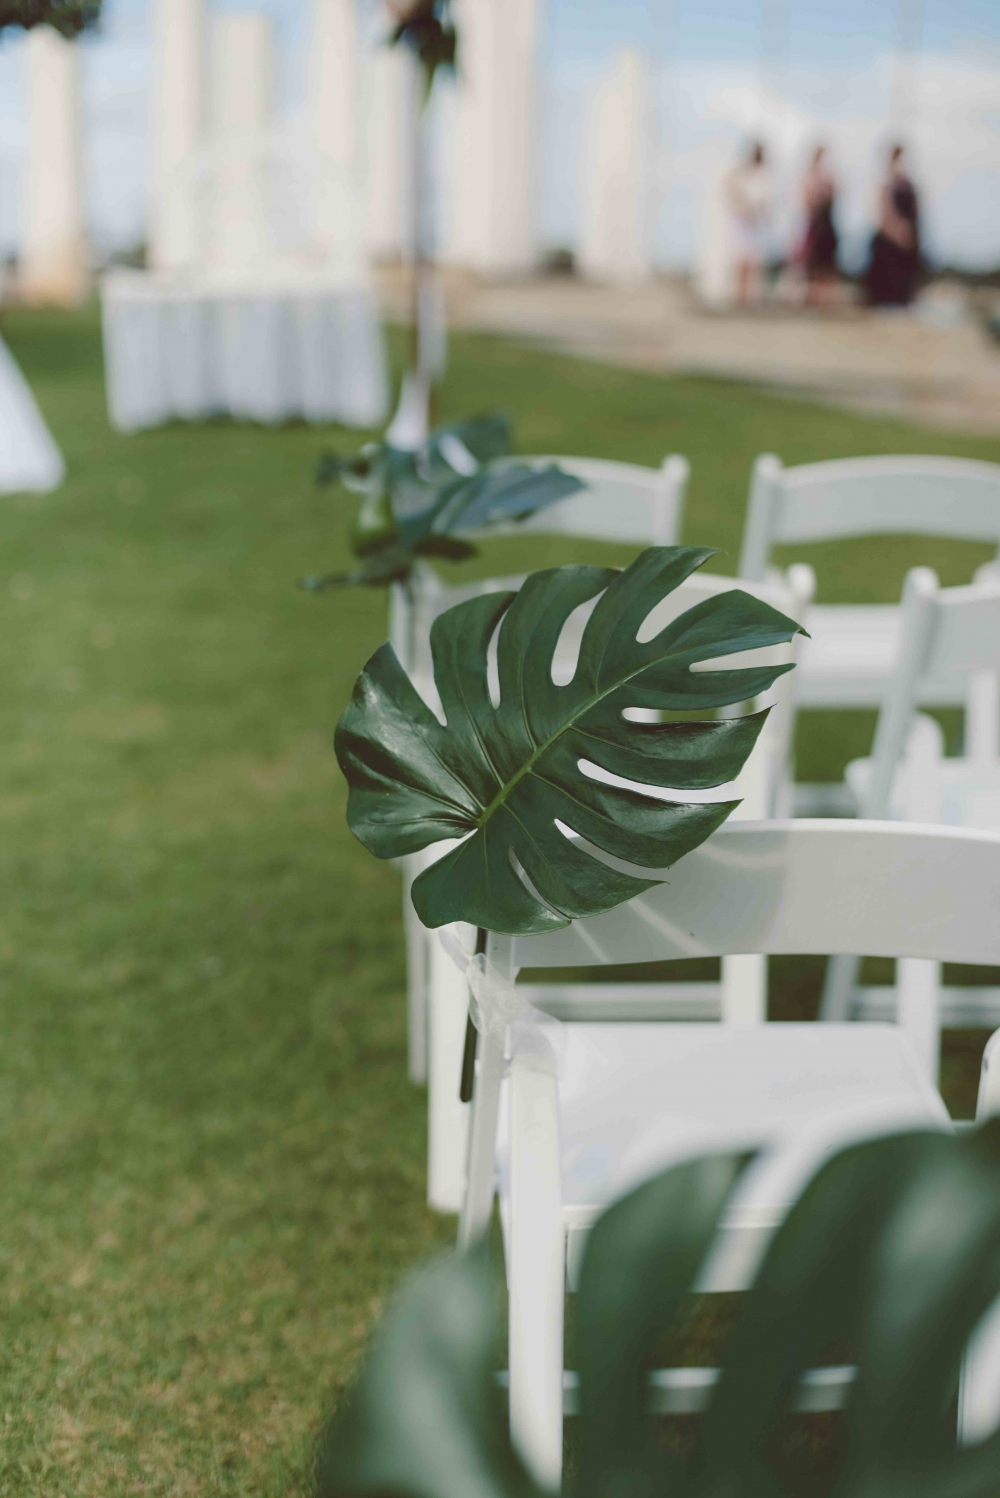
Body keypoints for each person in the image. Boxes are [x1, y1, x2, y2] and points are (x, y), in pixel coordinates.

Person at [865, 143, 921, 308]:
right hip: (890, 233)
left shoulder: (907, 178)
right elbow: (883, 206)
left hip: (907, 230)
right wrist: (895, 229)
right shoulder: (886, 178)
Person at [726, 140, 773, 307]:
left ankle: (749, 299)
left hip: (754, 225)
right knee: (741, 262)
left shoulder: (763, 177)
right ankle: (740, 299)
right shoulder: (740, 173)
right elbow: (730, 191)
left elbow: (765, 203)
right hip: (741, 223)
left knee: (752, 262)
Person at [799, 145, 839, 306]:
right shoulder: (810, 177)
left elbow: (834, 194)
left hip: (827, 225)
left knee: (826, 267)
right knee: (813, 267)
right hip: (815, 225)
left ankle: (826, 301)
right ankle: (813, 300)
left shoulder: (829, 177)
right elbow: (807, 201)